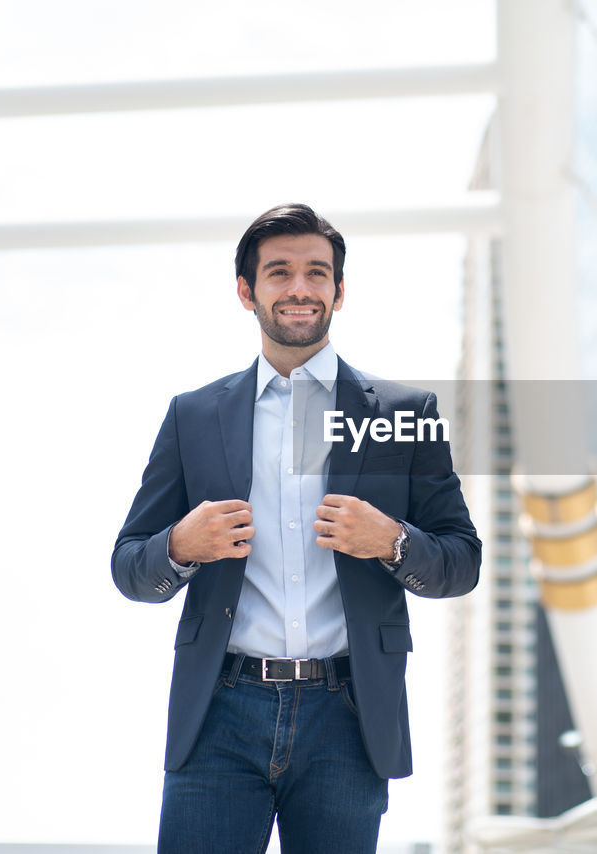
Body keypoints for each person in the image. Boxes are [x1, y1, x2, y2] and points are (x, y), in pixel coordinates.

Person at [111, 203, 481, 853]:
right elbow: (129, 567)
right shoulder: (194, 416)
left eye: (317, 272)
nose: (301, 287)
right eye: (279, 272)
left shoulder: (402, 413)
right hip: (219, 712)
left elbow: (461, 561)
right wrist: (180, 547)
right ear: (246, 291)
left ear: (340, 291)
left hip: (349, 714)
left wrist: (391, 541)